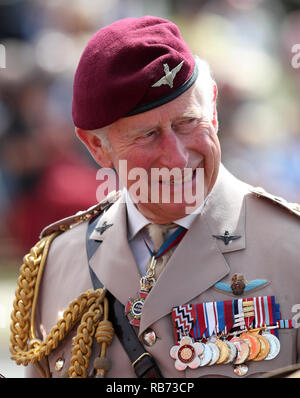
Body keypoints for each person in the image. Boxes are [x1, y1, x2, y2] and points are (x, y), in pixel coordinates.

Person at [10, 15, 300, 379]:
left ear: (212, 106)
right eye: (148, 135)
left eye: (187, 122)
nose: (177, 157)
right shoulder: (56, 264)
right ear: (97, 146)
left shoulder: (293, 248)